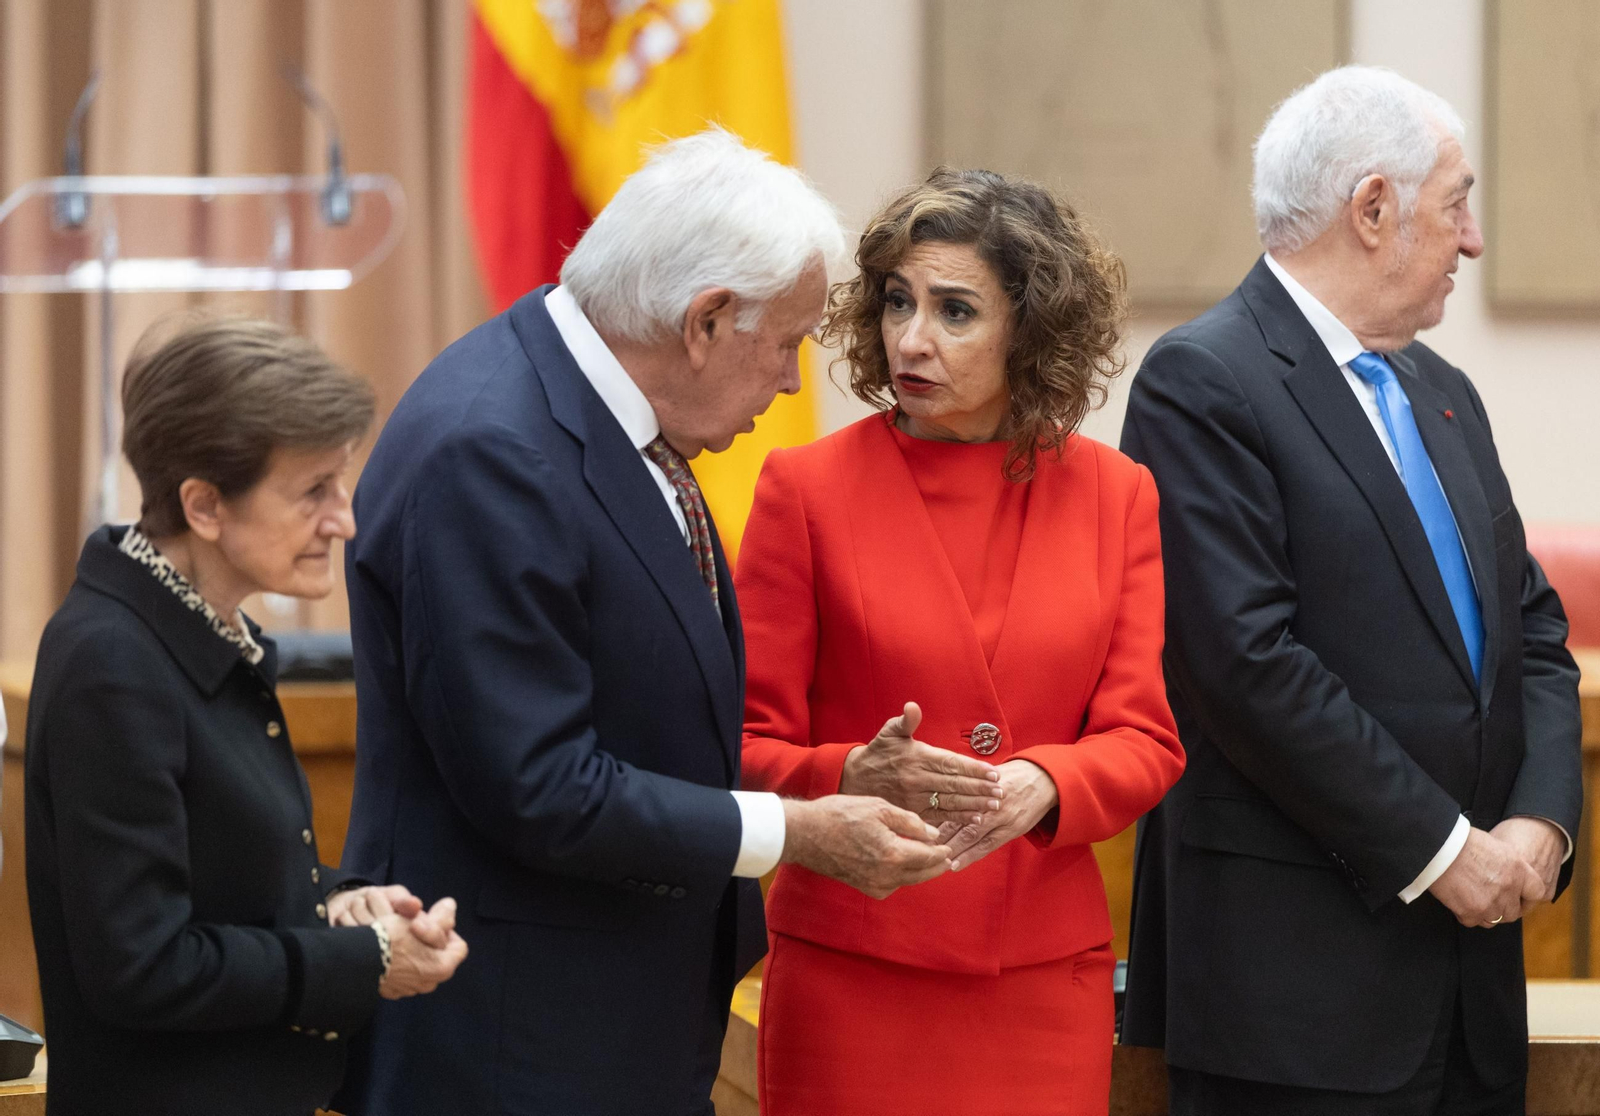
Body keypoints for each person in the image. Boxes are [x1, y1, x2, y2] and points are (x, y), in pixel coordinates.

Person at [335, 130, 954, 1116]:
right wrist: (793, 830)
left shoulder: (606, 418)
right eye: (786, 342)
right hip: (512, 1042)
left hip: (614, 1023)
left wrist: (831, 781)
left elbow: (650, 706)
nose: (794, 383)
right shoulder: (489, 450)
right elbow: (537, 787)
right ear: (705, 320)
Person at [1120, 65, 1583, 1115]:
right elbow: (1243, 667)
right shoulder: (1202, 381)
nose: (1471, 238)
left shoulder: (1442, 391)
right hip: (1296, 1007)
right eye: (1455, 200)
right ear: (1372, 209)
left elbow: (1533, 632)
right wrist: (1441, 849)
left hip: (1470, 998)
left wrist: (1539, 824)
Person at [736, 167, 1187, 1116]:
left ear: (1031, 328)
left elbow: (1146, 740)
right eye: (898, 302)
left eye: (954, 311)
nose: (912, 338)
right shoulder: (803, 492)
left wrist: (1051, 782)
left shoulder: (1117, 496)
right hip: (855, 973)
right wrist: (849, 773)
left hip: (1037, 978)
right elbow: (738, 748)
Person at [24, 316, 468, 1116]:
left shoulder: (202, 627)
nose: (345, 520)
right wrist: (360, 961)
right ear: (203, 505)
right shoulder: (114, 666)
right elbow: (144, 967)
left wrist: (335, 903)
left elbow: (216, 884)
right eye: (312, 493)